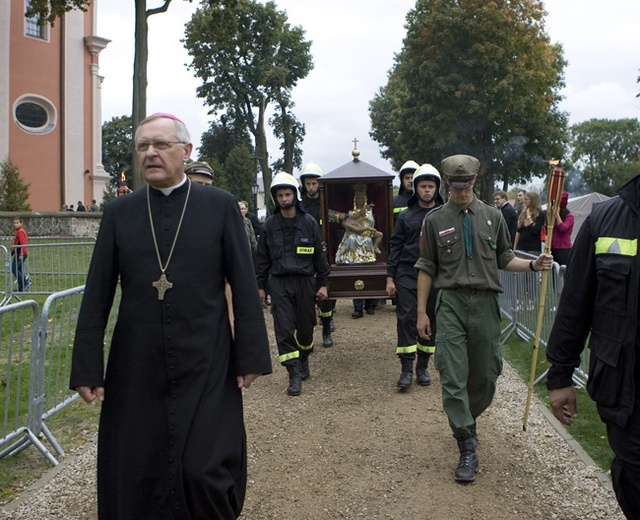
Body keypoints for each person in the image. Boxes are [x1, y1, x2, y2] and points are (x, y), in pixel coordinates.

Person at [69, 112, 272, 519]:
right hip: (137, 362)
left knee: (204, 468)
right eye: (143, 146)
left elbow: (244, 285)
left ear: (186, 151)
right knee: (139, 466)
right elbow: (97, 294)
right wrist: (88, 366)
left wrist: (249, 354)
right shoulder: (120, 212)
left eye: (160, 145)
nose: (150, 154)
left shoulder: (219, 206)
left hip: (207, 358)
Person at [415, 154, 552, 483]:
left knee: (486, 373)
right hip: (450, 302)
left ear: (475, 182)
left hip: (485, 303)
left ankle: (467, 418)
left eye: (467, 185)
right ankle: (467, 445)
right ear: (448, 184)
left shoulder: (493, 216)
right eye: (456, 185)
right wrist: (421, 312)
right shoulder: (434, 220)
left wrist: (534, 264)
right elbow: (426, 267)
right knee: (451, 371)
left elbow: (505, 257)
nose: (461, 191)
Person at [546, 172, 640, 519]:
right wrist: (559, 375)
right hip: (627, 392)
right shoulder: (604, 220)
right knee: (633, 479)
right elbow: (575, 304)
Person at [256, 172, 330, 396]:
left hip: (305, 282)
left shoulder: (308, 223)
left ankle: (304, 357)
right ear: (275, 198)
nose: (284, 198)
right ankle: (293, 373)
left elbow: (320, 255)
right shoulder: (269, 226)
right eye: (280, 195)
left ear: (294, 195)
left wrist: (323, 284)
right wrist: (260, 287)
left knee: (306, 328)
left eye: (288, 194)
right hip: (279, 283)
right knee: (284, 329)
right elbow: (262, 260)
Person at [387, 163, 444, 390]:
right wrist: (390, 278)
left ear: (437, 189)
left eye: (431, 186)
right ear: (416, 189)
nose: (427, 190)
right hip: (407, 273)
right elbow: (395, 247)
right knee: (406, 319)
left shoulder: (444, 216)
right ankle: (406, 369)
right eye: (423, 186)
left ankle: (423, 367)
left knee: (431, 319)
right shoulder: (406, 216)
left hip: (435, 276)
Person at [299, 162, 336, 347]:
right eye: (308, 184)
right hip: (305, 255)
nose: (312, 187)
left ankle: (327, 328)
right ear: (303, 185)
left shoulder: (326, 204)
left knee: (327, 294)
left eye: (314, 184)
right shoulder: (299, 206)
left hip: (325, 253)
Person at [335, 183, 383, 264]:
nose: (360, 200)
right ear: (355, 200)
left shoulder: (369, 212)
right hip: (355, 232)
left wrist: (366, 218)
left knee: (373, 237)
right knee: (351, 239)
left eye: (361, 198)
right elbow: (351, 223)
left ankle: (373, 249)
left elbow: (371, 222)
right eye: (358, 198)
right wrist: (360, 214)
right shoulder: (351, 213)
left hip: (366, 232)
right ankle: (350, 258)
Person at [513, 190, 546, 254]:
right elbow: (519, 231)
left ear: (532, 200)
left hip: (533, 248)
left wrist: (529, 217)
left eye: (526, 199)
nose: (524, 201)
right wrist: (514, 248)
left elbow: (535, 230)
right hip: (521, 247)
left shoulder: (541, 214)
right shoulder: (523, 213)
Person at [550, 191, 574, 267]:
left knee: (562, 270)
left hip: (564, 248)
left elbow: (563, 228)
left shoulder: (570, 216)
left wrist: (557, 215)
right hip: (553, 247)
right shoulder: (552, 216)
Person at [11, 217, 31, 291]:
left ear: (21, 223)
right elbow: (17, 243)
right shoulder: (19, 231)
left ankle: (26, 282)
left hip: (20, 253)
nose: (15, 225)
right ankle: (21, 288)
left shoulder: (20, 231)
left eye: (17, 223)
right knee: (19, 269)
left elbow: (23, 243)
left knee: (14, 269)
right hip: (20, 252)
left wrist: (21, 254)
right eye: (14, 223)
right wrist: (12, 252)